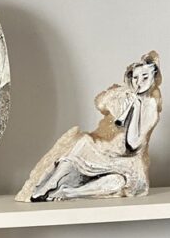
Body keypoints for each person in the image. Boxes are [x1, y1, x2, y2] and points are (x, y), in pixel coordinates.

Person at [24, 52, 162, 201]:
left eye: (145, 77)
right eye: (135, 78)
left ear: (153, 78)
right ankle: (50, 183)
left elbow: (133, 144)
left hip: (127, 160)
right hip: (106, 148)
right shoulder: (127, 94)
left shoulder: (151, 107)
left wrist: (136, 108)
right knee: (83, 142)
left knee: (117, 182)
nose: (139, 82)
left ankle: (69, 192)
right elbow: (100, 104)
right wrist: (119, 94)